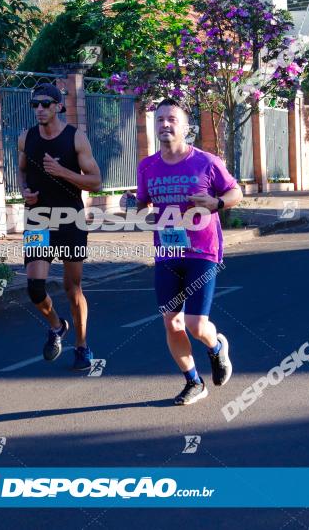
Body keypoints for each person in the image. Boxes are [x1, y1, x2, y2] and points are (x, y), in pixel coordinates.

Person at [134, 98, 243, 405]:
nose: (165, 125)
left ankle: (217, 348)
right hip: (168, 252)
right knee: (171, 321)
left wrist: (217, 203)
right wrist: (132, 205)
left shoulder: (206, 162)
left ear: (185, 127)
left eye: (171, 119)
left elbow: (235, 191)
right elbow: (144, 205)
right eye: (159, 120)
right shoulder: (147, 166)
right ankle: (193, 381)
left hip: (202, 250)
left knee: (196, 324)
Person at [17, 83, 103, 370]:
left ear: (58, 106)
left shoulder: (76, 138)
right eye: (35, 105)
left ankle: (82, 346)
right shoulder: (25, 138)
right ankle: (57, 326)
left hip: (70, 219)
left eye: (45, 104)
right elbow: (21, 171)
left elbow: (95, 181)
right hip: (37, 219)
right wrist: (24, 191)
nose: (39, 109)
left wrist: (62, 172)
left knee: (71, 287)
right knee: (34, 288)